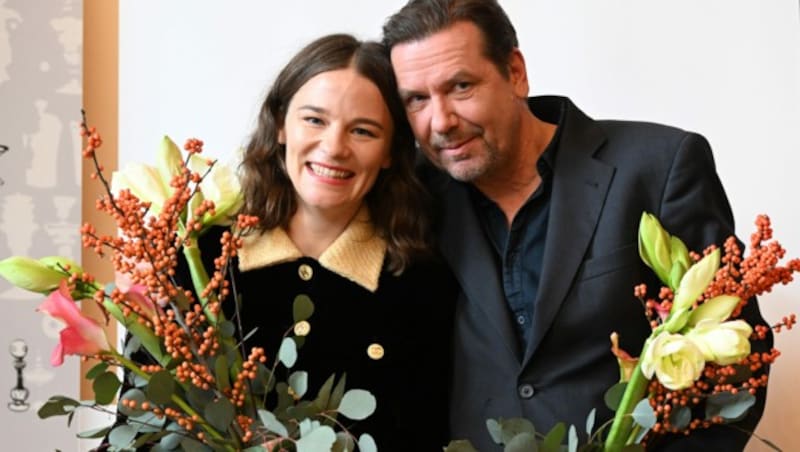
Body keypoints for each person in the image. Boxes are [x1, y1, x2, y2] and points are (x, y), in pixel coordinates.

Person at [382, 1, 772, 450]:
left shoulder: (659, 166)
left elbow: (740, 364)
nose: (441, 121)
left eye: (461, 86)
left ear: (515, 72)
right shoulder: (412, 194)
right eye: (416, 99)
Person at [100, 34, 455, 451]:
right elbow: (139, 429)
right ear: (281, 124)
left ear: (392, 152)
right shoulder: (195, 259)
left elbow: (427, 437)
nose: (334, 147)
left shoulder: (422, 282)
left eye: (363, 130)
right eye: (314, 120)